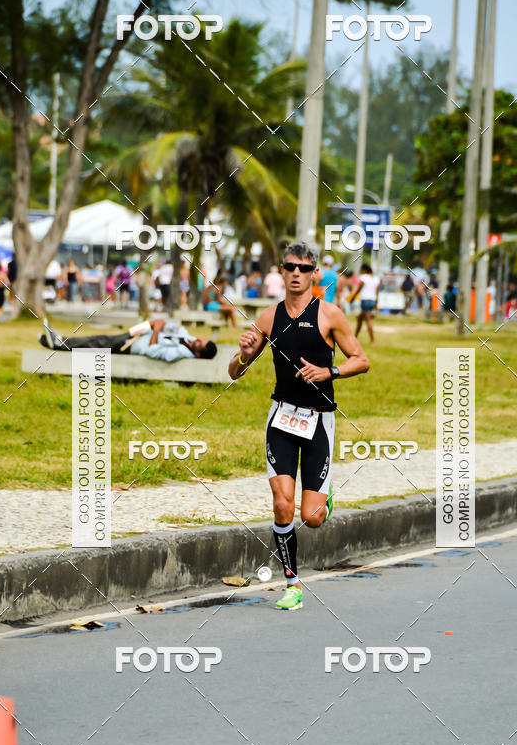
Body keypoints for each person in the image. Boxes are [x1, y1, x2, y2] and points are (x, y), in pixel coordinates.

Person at [228, 242, 369, 611]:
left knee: (312, 517)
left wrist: (330, 371)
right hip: (282, 418)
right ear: (281, 270)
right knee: (282, 504)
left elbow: (361, 359)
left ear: (314, 274)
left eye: (303, 268)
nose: (295, 273)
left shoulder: (330, 315)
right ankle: (292, 583)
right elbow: (235, 371)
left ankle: (324, 497)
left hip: (319, 419)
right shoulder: (268, 318)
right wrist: (242, 356)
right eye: (289, 266)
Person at [40, 318, 217, 360]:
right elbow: (182, 331)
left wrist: (155, 329)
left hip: (134, 345)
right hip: (139, 334)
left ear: (198, 353)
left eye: (199, 343)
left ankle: (59, 342)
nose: (197, 339)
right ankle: (60, 340)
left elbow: (153, 351)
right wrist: (157, 324)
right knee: (100, 340)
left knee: (99, 343)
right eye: (201, 339)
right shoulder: (189, 342)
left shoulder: (180, 352)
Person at [354, 263, 379, 343]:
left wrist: (353, 297)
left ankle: (372, 340)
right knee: (360, 319)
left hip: (365, 300)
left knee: (368, 320)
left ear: (364, 270)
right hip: (372, 300)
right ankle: (354, 337)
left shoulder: (363, 277)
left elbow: (359, 289)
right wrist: (376, 304)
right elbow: (376, 291)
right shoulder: (375, 278)